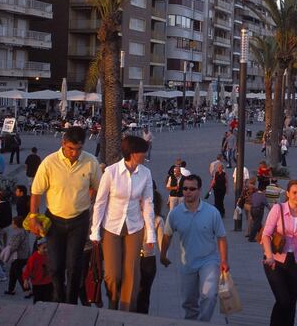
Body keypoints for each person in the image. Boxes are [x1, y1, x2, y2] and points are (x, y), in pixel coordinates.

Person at [29, 127, 101, 304]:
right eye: (70, 148)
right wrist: (33, 217)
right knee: (55, 266)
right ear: (63, 143)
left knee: (75, 266)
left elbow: (98, 187)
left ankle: (71, 303)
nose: (74, 153)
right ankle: (59, 298)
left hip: (79, 220)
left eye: (78, 149)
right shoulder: (49, 162)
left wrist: (89, 198)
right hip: (54, 220)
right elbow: (37, 192)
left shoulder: (91, 162)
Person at [89, 135, 155, 311]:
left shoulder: (145, 173)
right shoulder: (111, 172)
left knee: (132, 272)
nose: (146, 154)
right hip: (111, 226)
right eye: (143, 152)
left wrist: (151, 235)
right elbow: (100, 202)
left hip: (135, 226)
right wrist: (95, 231)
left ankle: (126, 310)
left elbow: (148, 203)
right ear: (133, 154)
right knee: (112, 273)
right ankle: (113, 300)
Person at [160, 174, 228, 322]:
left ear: (199, 190)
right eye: (185, 189)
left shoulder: (212, 212)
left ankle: (203, 322)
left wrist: (223, 260)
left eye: (192, 189)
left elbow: (221, 237)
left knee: (209, 295)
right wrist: (163, 255)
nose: (188, 192)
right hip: (188, 262)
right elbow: (167, 235)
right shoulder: (175, 214)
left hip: (209, 261)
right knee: (189, 302)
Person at [262, 180, 297, 326]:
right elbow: (265, 235)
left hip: (295, 262)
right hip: (275, 260)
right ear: (288, 193)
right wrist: (269, 256)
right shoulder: (278, 209)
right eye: (294, 192)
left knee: (291, 304)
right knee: (283, 300)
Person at [136, 191, 164, 314]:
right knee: (136, 290)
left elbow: (161, 242)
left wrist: (164, 256)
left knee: (144, 292)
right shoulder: (134, 217)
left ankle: (142, 317)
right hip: (134, 258)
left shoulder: (157, 220)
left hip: (148, 260)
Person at [4, 216, 31, 295]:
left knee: (18, 274)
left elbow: (14, 246)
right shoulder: (24, 231)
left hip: (19, 256)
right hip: (25, 254)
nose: (12, 224)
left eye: (13, 223)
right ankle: (11, 289)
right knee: (13, 272)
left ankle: (27, 290)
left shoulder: (17, 233)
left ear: (16, 224)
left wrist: (7, 250)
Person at [22, 238, 53, 303]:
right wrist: (26, 280)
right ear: (38, 247)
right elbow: (28, 269)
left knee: (48, 301)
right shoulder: (33, 258)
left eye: (47, 248)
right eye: (44, 248)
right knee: (38, 301)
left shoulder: (49, 255)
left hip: (48, 283)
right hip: (37, 284)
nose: (46, 250)